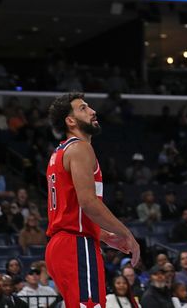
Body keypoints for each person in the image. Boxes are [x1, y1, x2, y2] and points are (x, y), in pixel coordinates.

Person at [44, 92, 140, 308]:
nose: (93, 111)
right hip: (76, 245)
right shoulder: (80, 148)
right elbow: (89, 204)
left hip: (62, 245)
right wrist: (127, 234)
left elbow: (72, 209)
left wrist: (104, 234)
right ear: (70, 120)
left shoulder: (59, 153)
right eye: (83, 108)